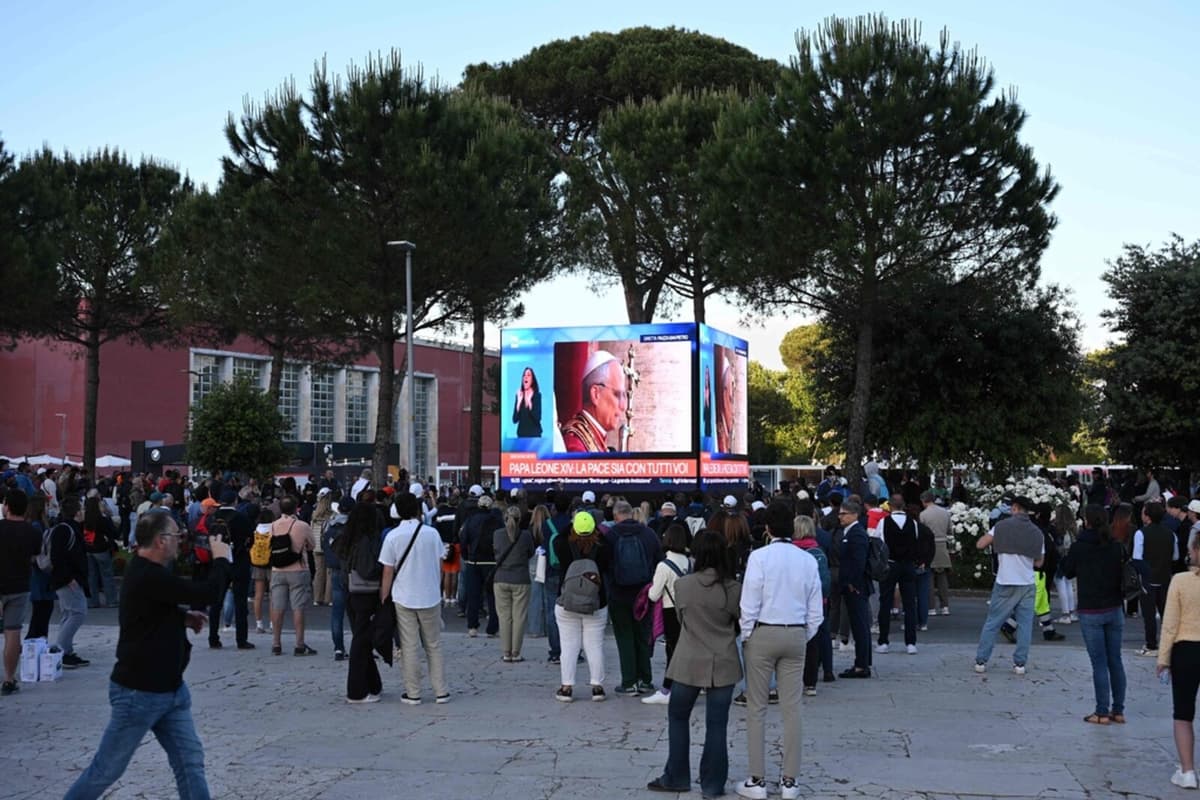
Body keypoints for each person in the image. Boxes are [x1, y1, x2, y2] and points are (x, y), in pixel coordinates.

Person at [63, 511, 231, 799]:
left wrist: (182, 617)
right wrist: (221, 559)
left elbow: (149, 611)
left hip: (170, 690)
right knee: (106, 770)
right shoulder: (147, 574)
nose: (181, 541)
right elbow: (208, 592)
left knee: (190, 762)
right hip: (138, 694)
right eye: (177, 536)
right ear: (161, 541)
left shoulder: (151, 574)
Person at [736, 501, 824, 800]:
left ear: (768, 529)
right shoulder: (807, 560)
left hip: (763, 631)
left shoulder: (759, 558)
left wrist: (748, 635)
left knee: (756, 708)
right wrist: (803, 634)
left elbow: (749, 602)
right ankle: (789, 781)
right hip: (796, 633)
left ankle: (757, 780)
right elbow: (816, 609)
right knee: (792, 709)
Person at [646, 531, 741, 798]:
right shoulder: (733, 589)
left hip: (688, 659)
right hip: (723, 659)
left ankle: (676, 775)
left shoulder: (684, 585)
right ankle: (712, 784)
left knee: (677, 716)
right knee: (717, 724)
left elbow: (680, 617)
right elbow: (737, 621)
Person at [378, 492, 448, 705]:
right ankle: (440, 690)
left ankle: (413, 691)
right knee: (433, 644)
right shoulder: (431, 533)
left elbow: (388, 571)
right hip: (429, 594)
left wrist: (384, 596)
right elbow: (440, 565)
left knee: (409, 645)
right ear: (418, 509)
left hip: (404, 596)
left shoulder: (392, 536)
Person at [1059, 503, 1126, 725]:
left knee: (1099, 662)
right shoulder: (1115, 545)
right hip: (1114, 607)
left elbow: (1067, 572)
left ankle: (1101, 711)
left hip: (1091, 609)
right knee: (1115, 660)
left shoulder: (1080, 546)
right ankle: (1118, 710)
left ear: (1086, 521)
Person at [973, 496, 1043, 675]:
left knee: (993, 622)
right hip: (1027, 583)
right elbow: (1038, 563)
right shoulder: (1037, 532)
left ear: (1015, 508)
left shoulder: (1001, 527)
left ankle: (981, 660)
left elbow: (980, 544)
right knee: (1025, 625)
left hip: (1005, 581)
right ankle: (1020, 664)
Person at [604, 499, 662, 695]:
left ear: (615, 515)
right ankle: (646, 680)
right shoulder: (648, 533)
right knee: (642, 636)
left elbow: (604, 565)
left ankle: (629, 681)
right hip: (644, 594)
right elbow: (658, 561)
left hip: (619, 594)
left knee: (624, 636)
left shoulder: (610, 535)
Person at [552, 510, 612, 702]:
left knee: (568, 646)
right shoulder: (603, 546)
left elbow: (559, 537)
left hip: (567, 601)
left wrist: (569, 525)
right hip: (596, 601)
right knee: (594, 645)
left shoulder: (562, 544)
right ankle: (597, 687)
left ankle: (566, 686)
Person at [1158, 533, 1200, 789]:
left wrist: (1163, 658)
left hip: (1186, 649)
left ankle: (1187, 771)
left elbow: (1170, 623)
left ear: (1195, 550)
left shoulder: (1181, 581)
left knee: (1183, 713)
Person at [642, 523, 692, 705]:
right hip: (686, 610)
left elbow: (654, 595)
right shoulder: (687, 562)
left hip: (670, 610)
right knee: (682, 649)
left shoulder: (664, 565)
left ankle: (667, 689)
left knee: (672, 650)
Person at [341, 501, 385, 703]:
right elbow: (368, 570)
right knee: (361, 640)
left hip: (351, 591)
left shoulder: (349, 539)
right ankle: (357, 690)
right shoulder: (367, 541)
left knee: (362, 638)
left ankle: (373, 684)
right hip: (366, 593)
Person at [0, 490, 42, 695]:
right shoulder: (32, 532)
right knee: (13, 632)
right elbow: (35, 557)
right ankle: (9, 678)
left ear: (6, 506)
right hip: (20, 586)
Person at [269, 496, 317, 657]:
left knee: (277, 606)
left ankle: (276, 643)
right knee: (298, 607)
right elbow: (311, 545)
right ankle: (299, 643)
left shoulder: (273, 526)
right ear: (296, 508)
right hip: (298, 568)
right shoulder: (302, 525)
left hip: (277, 569)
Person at [51, 496, 91, 668]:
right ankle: (60, 651)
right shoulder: (65, 529)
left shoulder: (69, 528)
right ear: (76, 512)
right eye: (81, 509)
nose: (83, 512)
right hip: (67, 580)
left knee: (69, 614)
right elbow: (57, 556)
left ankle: (65, 651)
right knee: (77, 613)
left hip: (69, 578)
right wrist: (69, 578)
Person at [561, 350, 626, 453]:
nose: (623, 406)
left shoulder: (598, 439)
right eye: (617, 394)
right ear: (596, 394)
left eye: (624, 396)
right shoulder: (575, 444)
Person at [492, 504, 535, 662]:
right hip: (521, 578)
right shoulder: (525, 536)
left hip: (501, 578)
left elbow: (495, 552)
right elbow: (530, 553)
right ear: (520, 519)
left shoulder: (497, 534)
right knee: (519, 616)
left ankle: (506, 651)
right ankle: (516, 652)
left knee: (504, 617)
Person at [1134, 501, 1177, 656]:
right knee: (1167, 613)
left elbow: (1137, 559)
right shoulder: (1171, 534)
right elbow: (1175, 556)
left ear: (1147, 516)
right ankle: (1168, 644)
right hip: (1165, 578)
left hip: (1148, 579)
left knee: (1149, 615)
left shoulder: (1141, 533)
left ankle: (1151, 644)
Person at [838, 498, 873, 678]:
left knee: (860, 625)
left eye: (843, 514)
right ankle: (863, 661)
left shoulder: (857, 534)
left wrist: (853, 583)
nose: (840, 517)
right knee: (859, 624)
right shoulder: (850, 532)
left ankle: (862, 664)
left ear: (854, 514)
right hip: (853, 585)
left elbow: (858, 561)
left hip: (856, 587)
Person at [920, 491, 953, 616]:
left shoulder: (923, 515)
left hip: (929, 546)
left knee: (929, 577)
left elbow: (921, 532)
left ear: (924, 501)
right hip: (942, 545)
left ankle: (931, 607)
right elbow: (950, 530)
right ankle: (945, 606)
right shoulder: (945, 513)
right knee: (942, 577)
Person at [512, 366, 543, 437]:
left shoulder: (537, 395)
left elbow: (537, 418)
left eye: (528, 375)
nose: (525, 377)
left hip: (534, 436)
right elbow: (514, 420)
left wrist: (529, 402)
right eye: (524, 375)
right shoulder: (519, 395)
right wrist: (519, 402)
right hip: (521, 436)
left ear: (532, 380)